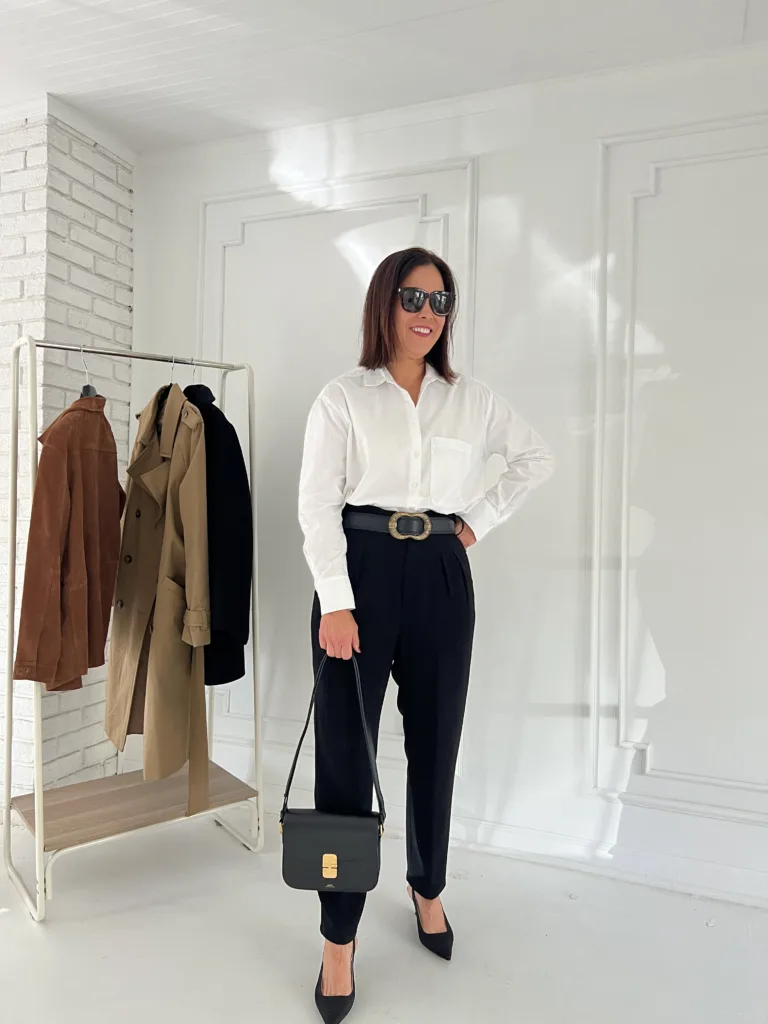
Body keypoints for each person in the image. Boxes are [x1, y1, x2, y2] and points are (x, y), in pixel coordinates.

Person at [298, 246, 554, 1023]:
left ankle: (427, 888)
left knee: (436, 741)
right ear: (385, 303)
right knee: (346, 756)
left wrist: (472, 525)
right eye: (413, 297)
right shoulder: (344, 397)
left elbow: (535, 458)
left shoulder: (471, 399)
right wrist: (336, 602)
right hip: (359, 579)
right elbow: (316, 505)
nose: (426, 314)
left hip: (442, 575)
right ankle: (338, 938)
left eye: (440, 302)